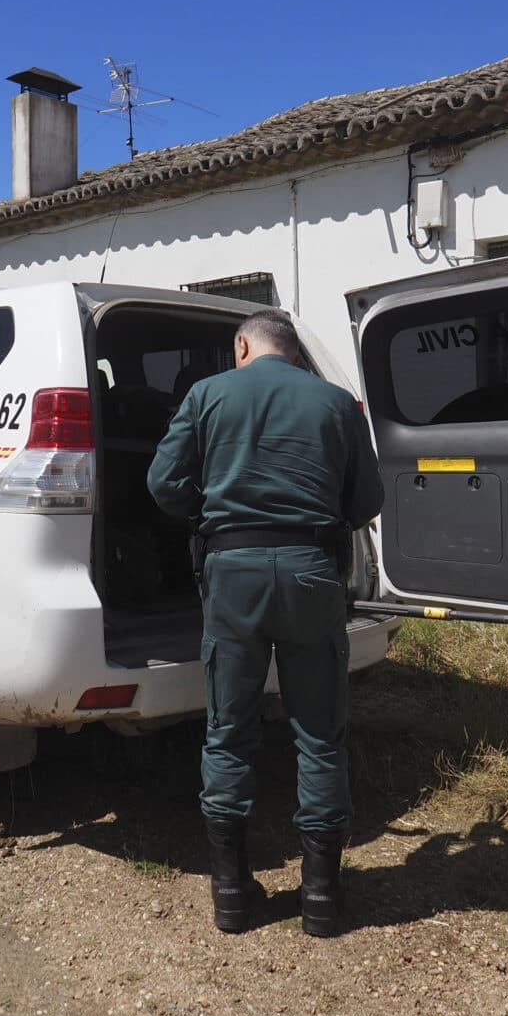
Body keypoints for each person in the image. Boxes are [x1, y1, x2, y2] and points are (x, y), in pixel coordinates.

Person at [146, 309, 385, 936]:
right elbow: (367, 502)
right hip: (311, 571)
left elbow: (162, 482)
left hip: (231, 573)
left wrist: (216, 513)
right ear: (292, 350)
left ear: (243, 346)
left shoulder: (206, 394)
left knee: (229, 731)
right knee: (319, 733)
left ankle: (231, 895)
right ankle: (323, 899)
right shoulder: (336, 403)